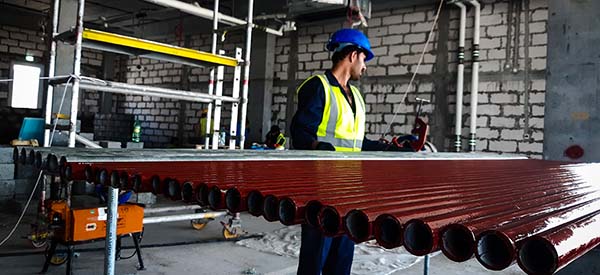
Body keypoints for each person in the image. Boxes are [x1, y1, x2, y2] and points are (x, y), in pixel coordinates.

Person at [290, 28, 389, 275]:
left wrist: (389, 147)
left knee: (341, 261)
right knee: (315, 261)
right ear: (353, 55)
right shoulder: (318, 86)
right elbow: (300, 133)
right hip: (321, 191)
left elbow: (357, 142)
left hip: (350, 192)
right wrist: (319, 148)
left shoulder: (355, 95)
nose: (365, 67)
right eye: (365, 59)